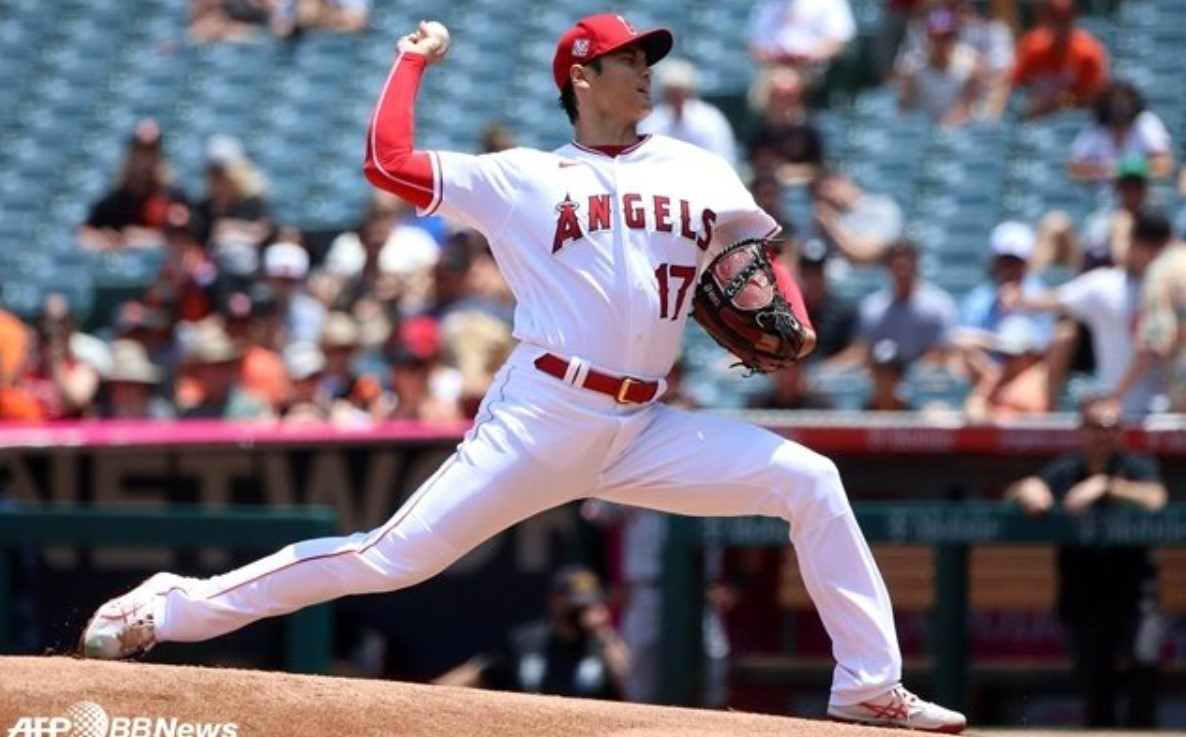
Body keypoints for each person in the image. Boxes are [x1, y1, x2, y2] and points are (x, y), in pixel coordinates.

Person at [79, 15, 965, 732]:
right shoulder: (523, 178)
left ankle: (867, 684)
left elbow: (759, 267)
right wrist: (411, 62)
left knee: (811, 480)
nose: (645, 71)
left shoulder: (699, 168)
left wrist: (789, 320)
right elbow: (387, 162)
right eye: (628, 59)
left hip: (645, 426)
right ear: (582, 76)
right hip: (542, 414)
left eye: (647, 58)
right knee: (388, 559)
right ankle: (171, 606)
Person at [1004, 396, 1166, 727]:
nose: (1104, 434)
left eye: (1111, 426)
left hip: (1136, 593)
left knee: (1145, 663)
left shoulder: (1135, 466)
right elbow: (1020, 491)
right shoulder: (1066, 469)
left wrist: (1105, 486)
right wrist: (1029, 490)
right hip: (1083, 594)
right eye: (1096, 426)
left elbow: (1156, 498)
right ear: (1081, 430)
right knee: (1095, 683)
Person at [1011, 211, 1171, 420]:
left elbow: (1150, 349)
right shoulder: (1105, 286)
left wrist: (1114, 397)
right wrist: (1017, 298)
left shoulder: (1170, 289)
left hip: (1165, 412)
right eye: (1145, 245)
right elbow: (1055, 299)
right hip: (1117, 416)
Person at [434, 566, 631, 700]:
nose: (580, 609)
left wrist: (603, 633)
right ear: (555, 601)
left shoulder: (601, 644)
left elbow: (629, 682)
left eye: (587, 603)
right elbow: (478, 670)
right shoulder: (528, 641)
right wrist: (429, 695)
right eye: (575, 602)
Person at [998, 0, 1108, 120]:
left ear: (1074, 19)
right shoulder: (1033, 46)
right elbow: (1011, 84)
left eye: (1065, 19)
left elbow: (1094, 99)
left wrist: (1060, 102)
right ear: (1047, 19)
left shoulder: (1088, 52)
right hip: (1038, 120)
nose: (1061, 25)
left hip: (1077, 120)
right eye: (1055, 18)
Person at [1067, 81, 1175, 185]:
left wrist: (1133, 169)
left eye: (1124, 125)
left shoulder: (1146, 123)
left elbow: (1165, 166)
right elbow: (1074, 170)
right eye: (1114, 126)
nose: (1119, 131)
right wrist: (1110, 170)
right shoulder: (1096, 129)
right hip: (1102, 192)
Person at [896, 6, 985, 128]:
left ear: (955, 37)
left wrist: (944, 129)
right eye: (935, 37)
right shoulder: (912, 67)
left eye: (946, 37)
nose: (941, 42)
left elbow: (967, 105)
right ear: (928, 37)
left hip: (964, 130)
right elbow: (907, 106)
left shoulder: (972, 64)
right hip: (924, 128)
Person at [639, 58, 736, 165]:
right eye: (671, 92)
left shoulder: (710, 120)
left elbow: (721, 160)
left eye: (680, 92)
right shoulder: (653, 120)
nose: (676, 97)